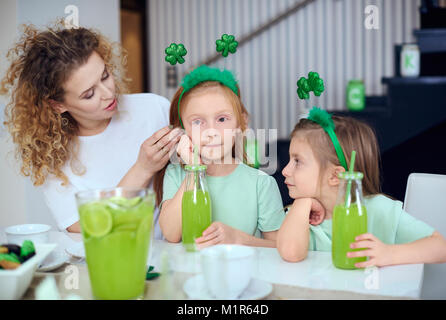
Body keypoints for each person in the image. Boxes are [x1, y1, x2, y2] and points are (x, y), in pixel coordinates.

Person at [0, 23, 181, 237]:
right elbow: (92, 228)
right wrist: (143, 168)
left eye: (105, 76)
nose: (108, 93)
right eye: (89, 94)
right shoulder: (54, 161)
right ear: (58, 105)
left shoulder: (153, 108)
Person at [277, 109, 446, 267]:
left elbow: (440, 247)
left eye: (297, 161)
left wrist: (390, 254)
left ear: (335, 176)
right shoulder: (300, 215)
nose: (285, 170)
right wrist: (302, 202)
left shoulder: (379, 209)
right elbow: (291, 253)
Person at [154, 65, 285, 248]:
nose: (211, 132)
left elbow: (280, 246)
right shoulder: (176, 175)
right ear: (183, 131)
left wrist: (239, 239)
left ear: (240, 123)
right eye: (198, 122)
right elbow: (171, 234)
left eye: (222, 119)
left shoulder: (260, 184)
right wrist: (194, 170)